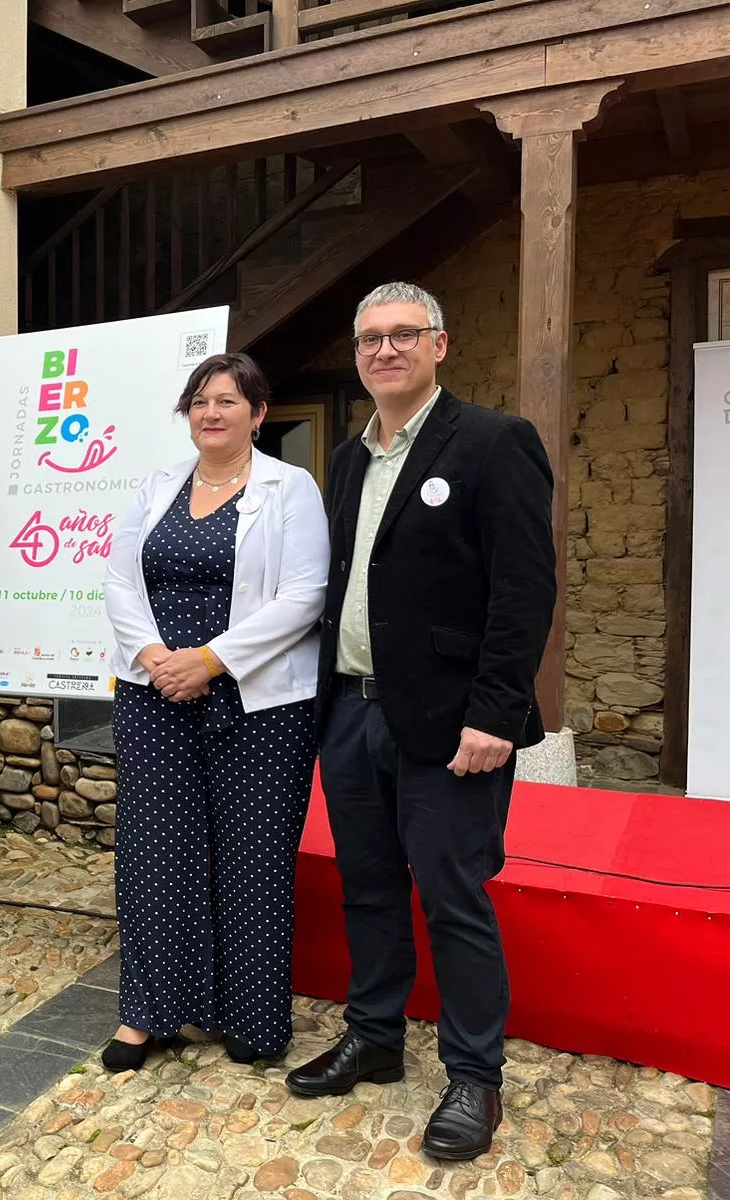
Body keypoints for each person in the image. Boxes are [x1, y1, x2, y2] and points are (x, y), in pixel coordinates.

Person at [285, 282, 555, 1162]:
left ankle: (475, 1076)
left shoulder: (492, 441)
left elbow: (524, 590)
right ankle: (375, 1037)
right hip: (354, 714)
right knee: (367, 887)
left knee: (454, 898)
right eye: (370, 338)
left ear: (440, 344)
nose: (385, 350)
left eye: (404, 335)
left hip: (451, 727)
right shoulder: (349, 459)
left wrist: (496, 714)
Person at [101, 351, 329, 1071]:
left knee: (253, 862)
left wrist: (209, 660)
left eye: (228, 400)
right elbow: (118, 581)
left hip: (258, 704)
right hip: (153, 695)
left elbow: (304, 596)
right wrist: (155, 660)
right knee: (152, 857)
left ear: (258, 413)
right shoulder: (158, 486)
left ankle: (252, 1019)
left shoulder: (290, 488)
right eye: (200, 400)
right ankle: (149, 1013)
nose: (211, 412)